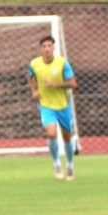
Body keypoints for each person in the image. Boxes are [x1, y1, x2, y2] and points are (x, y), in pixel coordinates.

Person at [26, 35, 78, 180]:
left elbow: (73, 84)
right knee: (51, 133)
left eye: (50, 46)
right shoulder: (34, 64)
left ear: (54, 48)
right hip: (46, 106)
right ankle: (56, 163)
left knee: (67, 137)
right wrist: (34, 91)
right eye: (44, 46)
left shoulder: (62, 64)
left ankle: (69, 164)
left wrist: (56, 85)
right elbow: (30, 76)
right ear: (40, 49)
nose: (47, 49)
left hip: (63, 106)